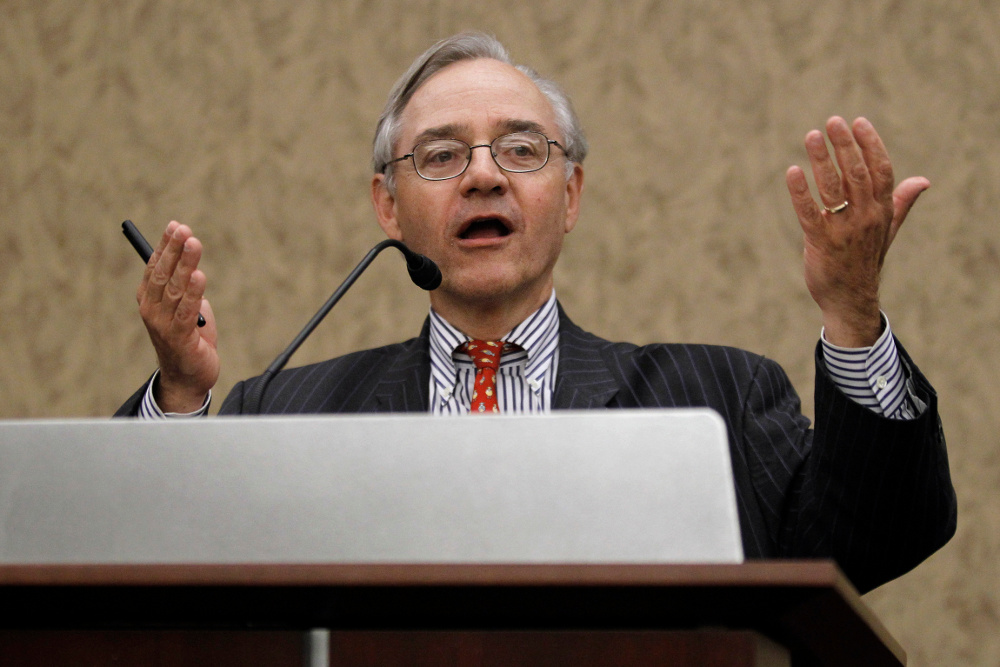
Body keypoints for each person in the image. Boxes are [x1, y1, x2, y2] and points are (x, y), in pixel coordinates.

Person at [116, 32, 956, 593]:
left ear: (572, 193)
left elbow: (875, 542)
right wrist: (182, 399)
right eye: (441, 154)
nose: (483, 175)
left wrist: (853, 314)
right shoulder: (285, 413)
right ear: (387, 205)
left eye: (521, 148)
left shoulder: (721, 399)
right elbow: (147, 570)